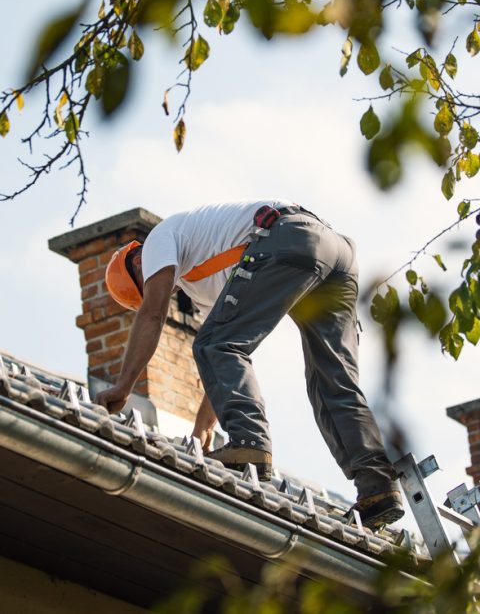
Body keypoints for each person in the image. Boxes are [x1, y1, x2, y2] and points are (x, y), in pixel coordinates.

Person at [94, 200, 404, 530]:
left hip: (287, 236)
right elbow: (223, 358)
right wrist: (203, 430)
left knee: (214, 343)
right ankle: (377, 487)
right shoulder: (204, 282)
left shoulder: (158, 239)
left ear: (137, 262)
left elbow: (155, 316)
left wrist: (123, 387)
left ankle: (251, 443)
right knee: (332, 380)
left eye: (146, 282)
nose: (157, 287)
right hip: (335, 253)